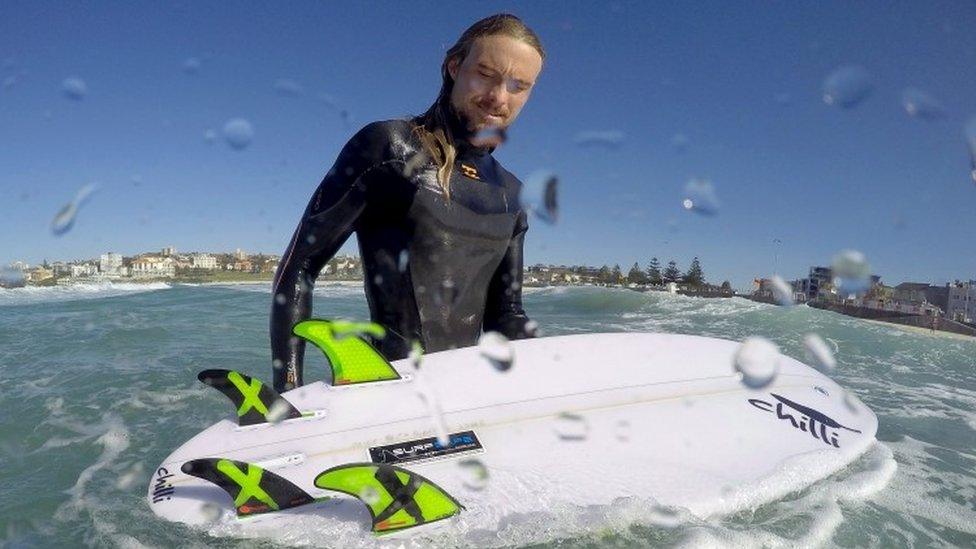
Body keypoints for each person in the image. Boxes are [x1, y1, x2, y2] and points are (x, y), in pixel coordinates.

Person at [270, 14, 545, 391]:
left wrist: (546, 382)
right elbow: (298, 269)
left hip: (464, 391)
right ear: (454, 67)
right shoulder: (389, 148)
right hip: (387, 390)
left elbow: (506, 314)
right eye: (485, 74)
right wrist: (289, 391)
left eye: (518, 85)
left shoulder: (511, 194)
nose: (499, 96)